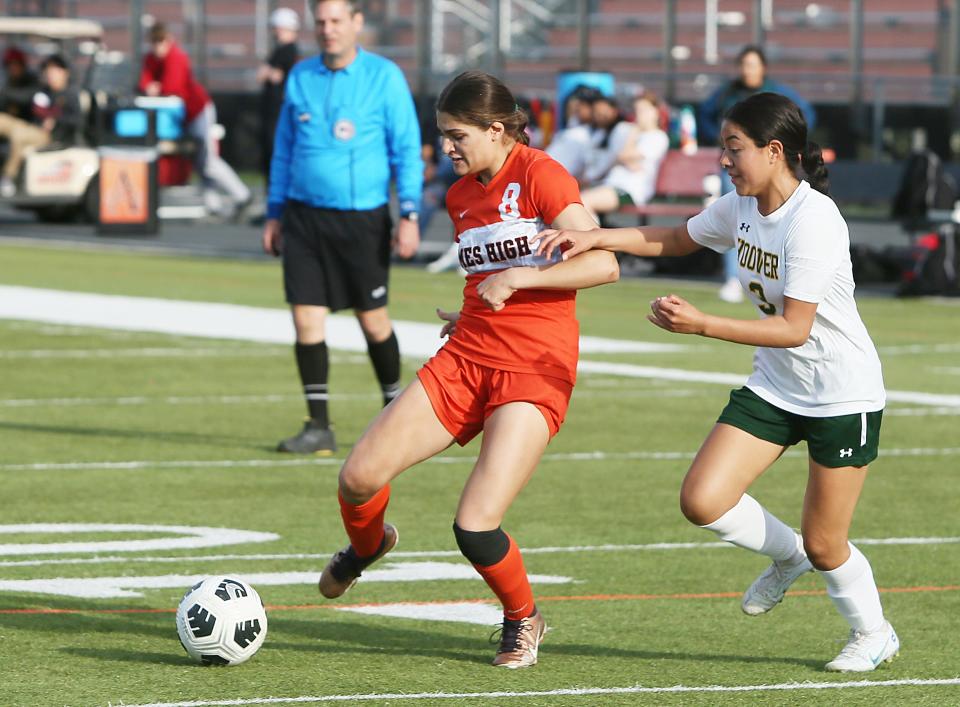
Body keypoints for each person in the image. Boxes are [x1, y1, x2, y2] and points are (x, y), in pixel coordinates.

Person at [534, 92, 898, 672]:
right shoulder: (740, 205)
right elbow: (677, 239)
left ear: (774, 151)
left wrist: (701, 325)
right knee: (702, 499)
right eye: (722, 148)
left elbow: (795, 328)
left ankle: (873, 632)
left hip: (839, 395)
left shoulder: (816, 220)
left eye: (734, 148)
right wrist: (597, 237)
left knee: (828, 542)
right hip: (777, 388)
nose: (723, 161)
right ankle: (788, 558)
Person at [316, 70, 619, 668]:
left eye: (457, 136)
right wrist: (469, 309)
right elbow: (490, 274)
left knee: (476, 524)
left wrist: (523, 278)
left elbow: (605, 264)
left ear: (497, 130)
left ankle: (523, 618)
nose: (445, 148)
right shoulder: (459, 195)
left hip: (534, 367)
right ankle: (368, 545)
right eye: (442, 135)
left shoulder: (540, 174)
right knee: (357, 477)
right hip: (467, 356)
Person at [263, 0, 423, 455]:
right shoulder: (301, 76)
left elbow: (406, 150)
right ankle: (319, 427)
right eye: (320, 22)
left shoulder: (384, 76)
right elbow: (283, 151)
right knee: (305, 318)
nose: (327, 30)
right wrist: (274, 212)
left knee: (373, 321)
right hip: (303, 217)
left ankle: (397, 416)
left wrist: (408, 214)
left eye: (336, 21)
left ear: (357, 23)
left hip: (362, 219)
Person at [699, 45, 816, 303]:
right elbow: (705, 114)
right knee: (739, 218)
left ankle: (782, 278)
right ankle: (734, 277)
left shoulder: (776, 93)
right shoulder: (728, 93)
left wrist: (791, 137)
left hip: (767, 172)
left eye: (752, 65)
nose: (747, 70)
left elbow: (805, 114)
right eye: (743, 65)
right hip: (741, 176)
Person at [139, 22, 252, 216]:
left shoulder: (177, 57)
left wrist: (156, 88)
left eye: (161, 41)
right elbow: (144, 81)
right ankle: (213, 204)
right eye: (154, 42)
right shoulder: (151, 58)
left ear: (168, 40)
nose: (158, 46)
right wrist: (150, 87)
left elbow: (172, 87)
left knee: (208, 160)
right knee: (200, 162)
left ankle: (242, 195)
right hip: (182, 118)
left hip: (198, 112)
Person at [580, 91, 669, 221]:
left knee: (584, 201)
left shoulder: (658, 137)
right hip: (610, 184)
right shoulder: (623, 129)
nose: (639, 114)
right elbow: (619, 157)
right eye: (636, 110)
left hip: (631, 190)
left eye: (643, 110)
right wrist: (626, 160)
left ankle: (594, 239)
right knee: (574, 202)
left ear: (655, 112)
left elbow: (623, 155)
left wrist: (633, 134)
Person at [0, 54, 80, 198]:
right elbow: (24, 99)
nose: (51, 75)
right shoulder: (42, 91)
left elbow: (77, 120)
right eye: (48, 72)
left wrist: (55, 120)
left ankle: (8, 177)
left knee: (19, 136)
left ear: (65, 73)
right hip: (31, 128)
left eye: (55, 71)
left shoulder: (70, 95)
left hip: (49, 136)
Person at [258, 7, 300, 183]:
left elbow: (273, 76)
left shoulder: (288, 52)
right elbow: (264, 75)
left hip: (279, 112)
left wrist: (270, 74)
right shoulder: (280, 51)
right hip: (272, 110)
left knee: (276, 154)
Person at [1, 47, 38, 120]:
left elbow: (28, 97)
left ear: (22, 65)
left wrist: (4, 92)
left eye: (16, 64)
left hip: (29, 123)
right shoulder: (9, 81)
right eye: (10, 65)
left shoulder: (32, 80)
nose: (13, 68)